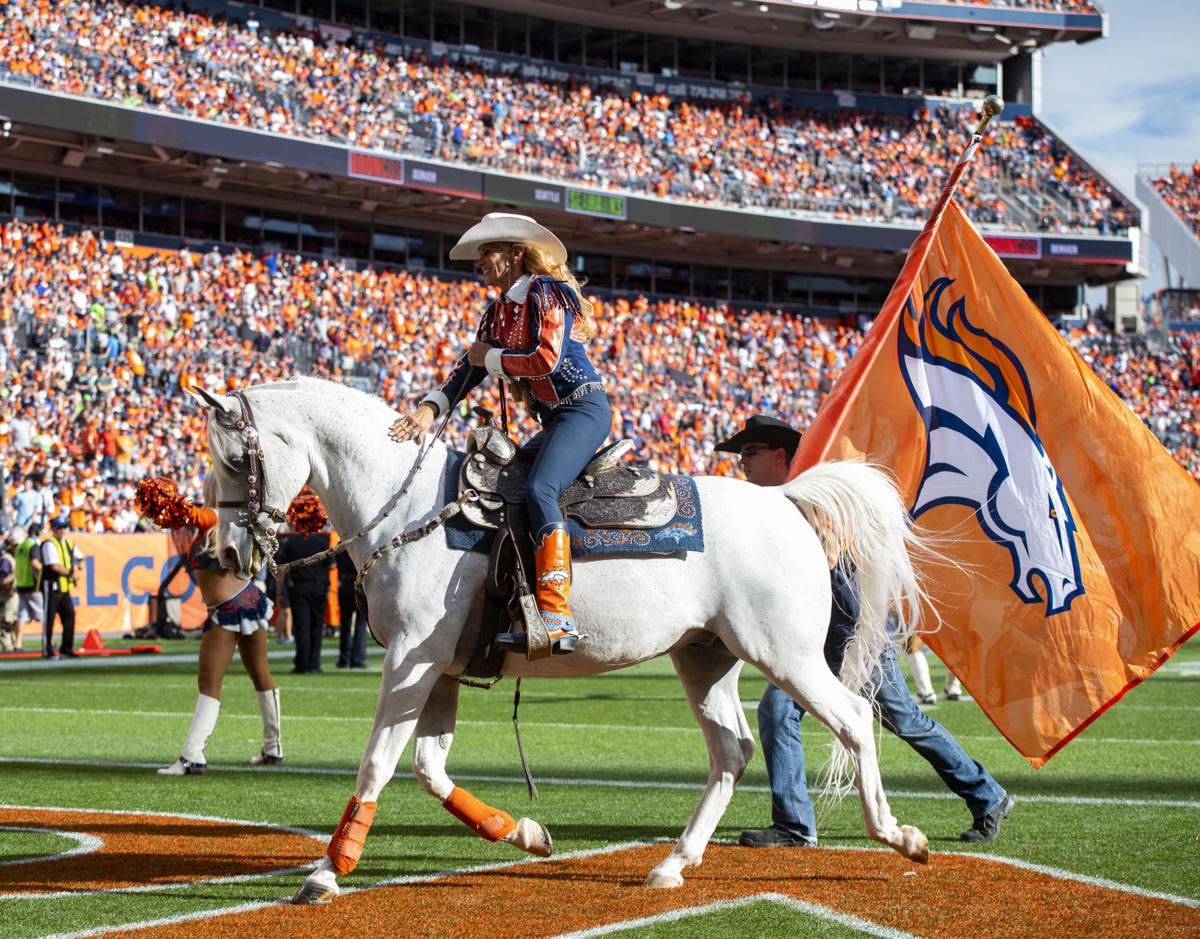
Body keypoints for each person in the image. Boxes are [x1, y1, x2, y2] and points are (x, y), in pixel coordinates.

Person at [715, 414, 1015, 847]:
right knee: (866, 717)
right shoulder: (789, 500)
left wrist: (854, 641)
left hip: (851, 631)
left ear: (779, 455)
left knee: (891, 718)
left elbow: (835, 572)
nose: (742, 463)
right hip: (829, 632)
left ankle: (797, 825)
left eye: (749, 453)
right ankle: (986, 795)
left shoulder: (810, 500)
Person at [388, 213, 611, 655]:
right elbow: (467, 368)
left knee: (540, 489)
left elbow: (546, 359)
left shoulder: (549, 291)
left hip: (583, 411)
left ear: (515, 254)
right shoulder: (496, 312)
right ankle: (514, 600)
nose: (479, 261)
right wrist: (430, 408)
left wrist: (490, 358)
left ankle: (556, 615)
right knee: (510, 490)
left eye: (486, 252)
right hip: (555, 421)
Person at [135, 477, 283, 775]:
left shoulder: (216, 516)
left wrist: (176, 505)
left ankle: (192, 755)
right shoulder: (232, 521)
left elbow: (200, 516)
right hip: (249, 601)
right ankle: (273, 747)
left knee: (209, 681)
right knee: (260, 675)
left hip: (229, 609)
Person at [275, 489, 333, 675]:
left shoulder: (291, 543)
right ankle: (314, 664)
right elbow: (331, 567)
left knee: (302, 627)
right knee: (317, 627)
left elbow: (282, 569)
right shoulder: (321, 542)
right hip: (319, 586)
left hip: (299, 587)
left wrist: (279, 592)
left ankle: (302, 664)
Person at [40, 515, 81, 659]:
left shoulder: (69, 543)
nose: (63, 530)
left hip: (64, 587)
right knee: (49, 619)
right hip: (51, 585)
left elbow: (80, 557)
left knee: (69, 616)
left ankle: (66, 649)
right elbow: (54, 566)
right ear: (53, 529)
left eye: (64, 527)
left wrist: (78, 567)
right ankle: (48, 650)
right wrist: (72, 573)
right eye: (60, 528)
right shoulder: (49, 544)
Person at [12, 524, 43, 649]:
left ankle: (17, 644)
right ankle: (49, 642)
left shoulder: (19, 547)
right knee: (43, 615)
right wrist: (46, 572)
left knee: (22, 616)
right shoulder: (33, 545)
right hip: (33, 584)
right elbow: (35, 563)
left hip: (21, 584)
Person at [335, 551, 367, 669]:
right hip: (359, 583)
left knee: (345, 623)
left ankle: (344, 659)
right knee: (360, 623)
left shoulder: (341, 544)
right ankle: (358, 658)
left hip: (344, 583)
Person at [0, 530, 17, 652]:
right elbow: (2, 579)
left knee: (11, 622)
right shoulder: (6, 559)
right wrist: (14, 577)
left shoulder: (11, 558)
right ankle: (9, 647)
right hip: (7, 595)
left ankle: (13, 646)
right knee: (5, 623)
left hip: (12, 594)